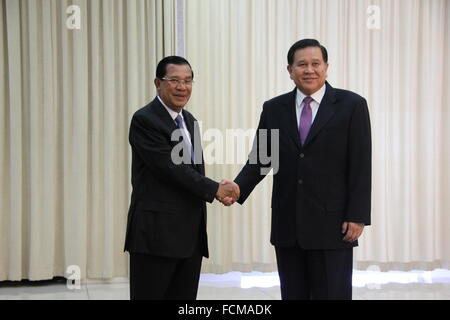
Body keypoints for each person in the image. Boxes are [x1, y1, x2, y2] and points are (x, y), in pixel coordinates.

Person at [222, 39, 371, 300]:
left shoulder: (352, 105)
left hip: (333, 225)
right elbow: (261, 159)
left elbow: (360, 165)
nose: (309, 70)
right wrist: (238, 186)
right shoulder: (273, 108)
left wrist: (357, 215)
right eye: (302, 64)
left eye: (316, 63)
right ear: (290, 70)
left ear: (327, 67)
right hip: (288, 225)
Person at [124, 56, 239, 300]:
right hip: (156, 237)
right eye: (174, 80)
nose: (182, 87)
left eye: (187, 81)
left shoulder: (190, 121)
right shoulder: (145, 120)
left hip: (190, 237)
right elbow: (170, 168)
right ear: (158, 83)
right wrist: (215, 189)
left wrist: (215, 188)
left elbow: (192, 173)